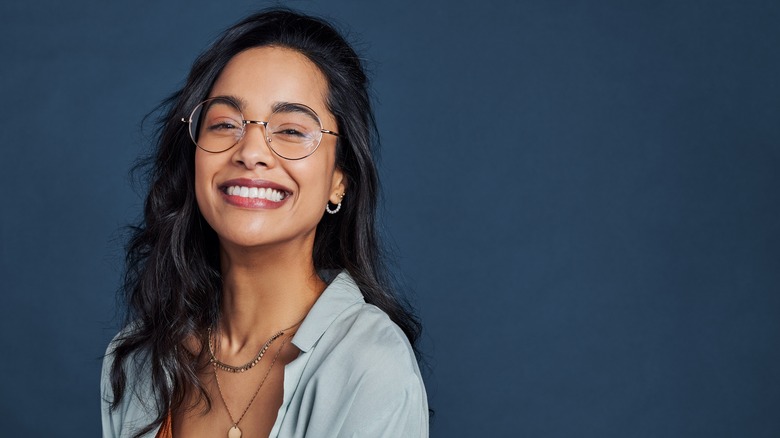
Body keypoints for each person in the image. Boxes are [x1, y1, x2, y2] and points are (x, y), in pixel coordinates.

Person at [100, 9, 428, 438]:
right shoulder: (137, 358)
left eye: (291, 130)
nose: (251, 150)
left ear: (338, 180)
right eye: (224, 124)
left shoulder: (368, 361)